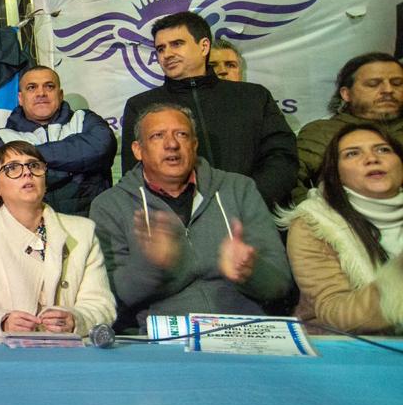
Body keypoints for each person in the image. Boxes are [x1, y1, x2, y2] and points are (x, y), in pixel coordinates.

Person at [91, 104, 293, 330]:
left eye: (182, 134)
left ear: (194, 145)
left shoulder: (238, 189)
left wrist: (249, 270)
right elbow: (113, 298)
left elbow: (279, 284)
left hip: (246, 329)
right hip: (164, 338)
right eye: (158, 136)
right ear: (138, 150)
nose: (172, 144)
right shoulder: (110, 205)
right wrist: (151, 266)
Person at [120, 12, 297, 209]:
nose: (167, 54)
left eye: (177, 44)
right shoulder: (141, 106)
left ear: (204, 46)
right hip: (184, 227)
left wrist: (247, 201)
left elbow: (282, 157)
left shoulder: (254, 97)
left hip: (256, 216)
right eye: (161, 48)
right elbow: (137, 175)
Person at [0, 141, 115, 337]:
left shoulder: (82, 231)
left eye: (34, 166)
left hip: (68, 355)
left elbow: (102, 304)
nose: (27, 173)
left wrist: (75, 319)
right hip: (6, 356)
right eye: (12, 168)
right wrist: (3, 322)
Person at [278, 124, 403, 334]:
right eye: (352, 154)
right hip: (350, 349)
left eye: (383, 150)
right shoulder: (314, 223)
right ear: (335, 173)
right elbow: (336, 313)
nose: (372, 158)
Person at [0, 65, 116, 216]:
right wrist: (75, 166)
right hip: (33, 231)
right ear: (20, 98)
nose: (41, 93)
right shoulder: (2, 137)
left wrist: (25, 159)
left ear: (60, 95)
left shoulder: (84, 119)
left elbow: (102, 149)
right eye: (32, 87)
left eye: (49, 86)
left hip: (92, 224)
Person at [295, 53, 403, 203]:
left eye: (397, 83)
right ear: (346, 94)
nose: (388, 90)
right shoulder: (322, 132)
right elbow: (288, 181)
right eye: (373, 84)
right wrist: (317, 216)